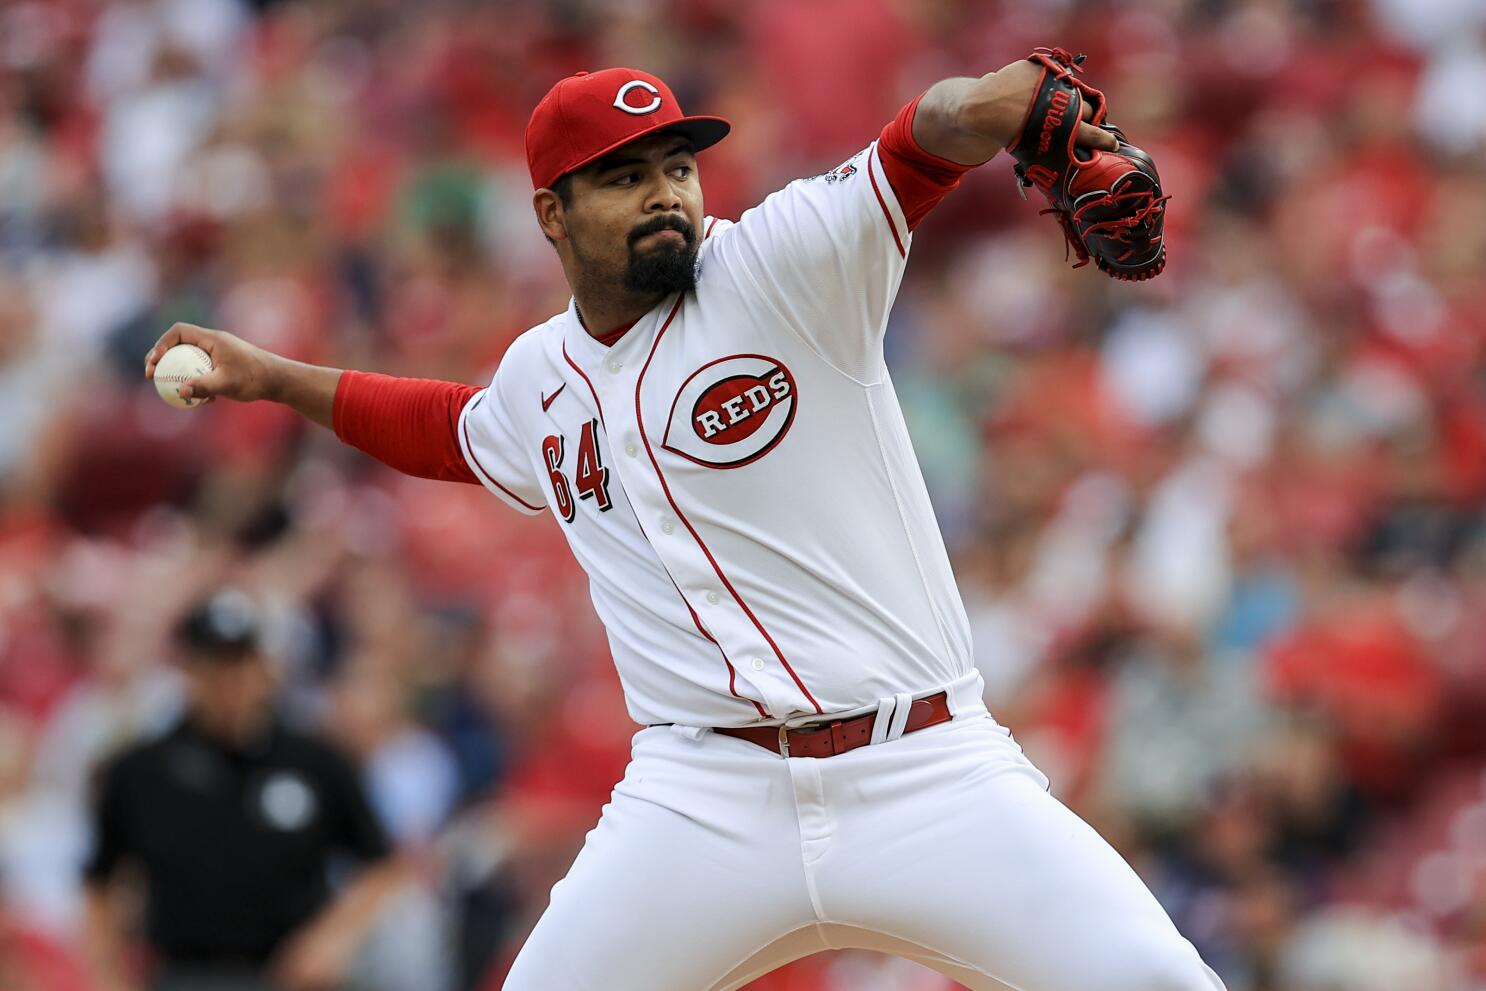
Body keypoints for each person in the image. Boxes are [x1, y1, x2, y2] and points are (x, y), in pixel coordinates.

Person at [144, 60, 1226, 991]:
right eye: (624, 175)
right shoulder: (539, 375)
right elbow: (447, 429)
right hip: (704, 797)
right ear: (551, 213)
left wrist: (1006, 99)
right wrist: (273, 377)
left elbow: (919, 140)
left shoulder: (783, 265)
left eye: (676, 166)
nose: (666, 193)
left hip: (924, 765)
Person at [82, 589, 405, 991]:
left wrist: (333, 938)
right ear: (188, 670)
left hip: (287, 976)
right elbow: (99, 880)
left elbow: (381, 864)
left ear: (265, 669)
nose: (229, 680)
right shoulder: (141, 771)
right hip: (184, 974)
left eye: (241, 663)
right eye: (214, 664)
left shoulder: (315, 762)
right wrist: (108, 975)